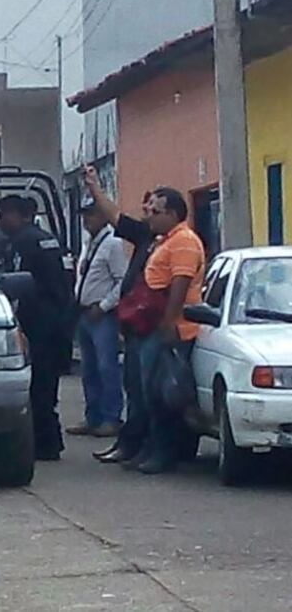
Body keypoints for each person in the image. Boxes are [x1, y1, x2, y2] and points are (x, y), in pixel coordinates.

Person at [85, 169, 157, 465]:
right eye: (146, 207)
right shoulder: (143, 235)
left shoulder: (179, 243)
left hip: (156, 327)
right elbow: (116, 216)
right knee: (135, 388)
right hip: (135, 324)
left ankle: (150, 447)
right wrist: (94, 188)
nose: (147, 212)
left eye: (154, 209)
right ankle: (131, 444)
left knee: (150, 391)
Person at [131, 187, 205, 474]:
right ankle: (154, 447)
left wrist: (170, 321)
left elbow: (180, 283)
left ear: (173, 214)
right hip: (153, 325)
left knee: (163, 393)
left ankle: (164, 452)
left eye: (156, 212)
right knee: (150, 390)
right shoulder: (165, 241)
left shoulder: (184, 241)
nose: (150, 217)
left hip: (171, 329)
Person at [0, 195, 74, 461]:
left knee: (37, 385)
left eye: (3, 214)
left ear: (18, 214)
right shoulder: (48, 239)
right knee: (46, 384)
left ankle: (45, 442)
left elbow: (18, 285)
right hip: (57, 318)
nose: (0, 221)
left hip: (37, 321)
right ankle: (49, 440)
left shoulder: (24, 242)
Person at [66, 198, 127, 438]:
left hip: (102, 315)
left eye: (91, 214)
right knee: (89, 368)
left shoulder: (112, 244)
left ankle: (112, 418)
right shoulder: (88, 243)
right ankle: (93, 417)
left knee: (106, 367)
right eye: (84, 215)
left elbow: (122, 282)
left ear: (103, 216)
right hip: (84, 313)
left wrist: (103, 306)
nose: (86, 219)